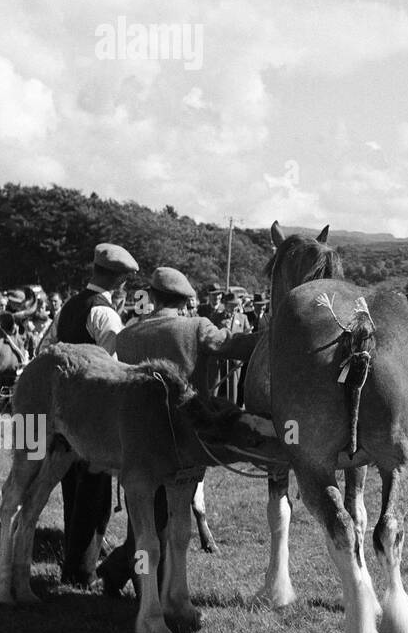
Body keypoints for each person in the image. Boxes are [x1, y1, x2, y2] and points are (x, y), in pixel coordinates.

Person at [100, 266, 259, 596]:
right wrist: (274, 336)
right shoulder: (195, 327)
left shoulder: (127, 335)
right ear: (185, 300)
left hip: (136, 438)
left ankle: (117, 574)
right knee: (163, 523)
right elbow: (236, 346)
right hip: (182, 438)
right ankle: (149, 589)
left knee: (141, 522)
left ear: (153, 297)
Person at [45, 242, 138, 587]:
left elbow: (52, 349)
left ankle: (76, 554)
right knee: (94, 492)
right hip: (94, 412)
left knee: (72, 486)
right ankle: (81, 571)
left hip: (63, 409)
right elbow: (112, 366)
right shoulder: (106, 314)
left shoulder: (68, 307)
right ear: (120, 282)